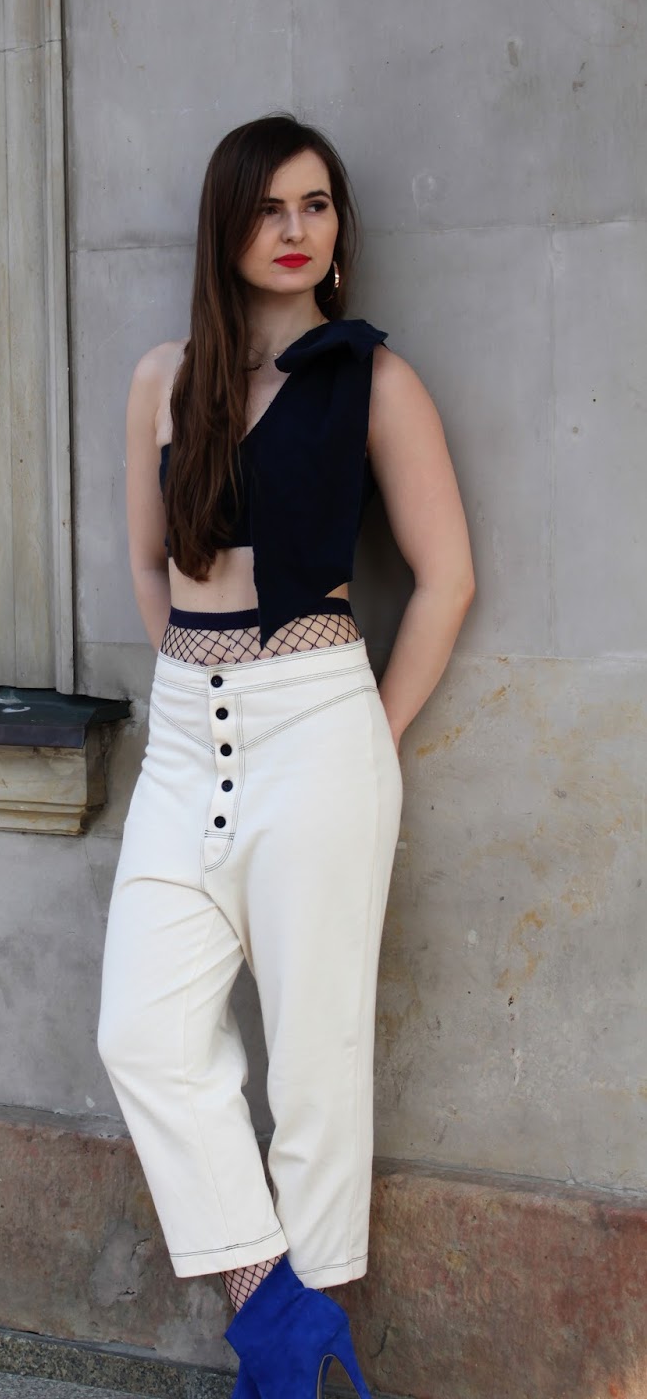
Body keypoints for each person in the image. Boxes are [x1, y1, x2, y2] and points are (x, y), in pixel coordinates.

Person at [97, 115, 475, 1399]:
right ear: (227, 228)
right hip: (182, 734)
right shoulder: (165, 379)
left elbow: (444, 579)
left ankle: (288, 1380)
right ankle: (278, 1317)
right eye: (269, 208)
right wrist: (190, 673)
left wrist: (366, 732)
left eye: (315, 206)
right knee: (142, 1033)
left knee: (315, 1066)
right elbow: (149, 563)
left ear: (338, 230)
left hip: (319, 725)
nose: (295, 229)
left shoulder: (373, 379)